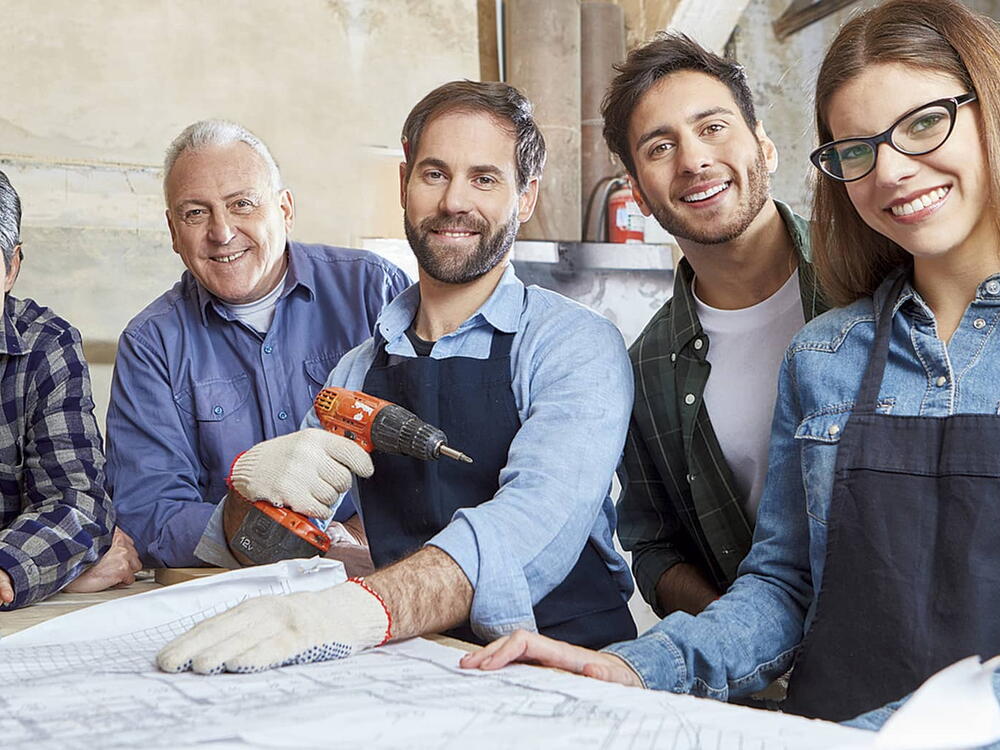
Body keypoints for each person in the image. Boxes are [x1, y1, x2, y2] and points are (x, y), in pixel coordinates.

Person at [461, 0, 1000, 726]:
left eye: (925, 122)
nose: (895, 172)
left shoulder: (822, 297)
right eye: (858, 150)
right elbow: (782, 586)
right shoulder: (825, 356)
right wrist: (630, 665)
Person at [156, 80, 637, 675]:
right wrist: (250, 493)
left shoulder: (574, 345)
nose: (454, 200)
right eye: (434, 174)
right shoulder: (356, 372)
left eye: (484, 179)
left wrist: (349, 612)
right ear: (404, 185)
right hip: (420, 664)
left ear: (527, 195)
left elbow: (531, 524)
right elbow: (268, 545)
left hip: (568, 665)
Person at [106, 120, 409, 568]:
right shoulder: (150, 344)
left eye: (242, 204)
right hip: (234, 586)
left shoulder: (375, 289)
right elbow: (150, 515)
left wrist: (365, 534)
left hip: (386, 566)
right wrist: (264, 529)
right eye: (195, 213)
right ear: (173, 231)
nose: (222, 232)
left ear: (285, 209)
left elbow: (441, 447)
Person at [608, 33, 826, 617]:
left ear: (764, 144)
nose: (693, 160)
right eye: (659, 147)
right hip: (762, 689)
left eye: (713, 127)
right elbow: (653, 549)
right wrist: (741, 630)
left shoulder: (874, 279)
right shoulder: (645, 366)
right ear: (640, 195)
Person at [0, 169, 139, 609]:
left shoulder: (45, 344)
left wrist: (16, 569)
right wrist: (54, 571)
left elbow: (77, 502)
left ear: (11, 268)